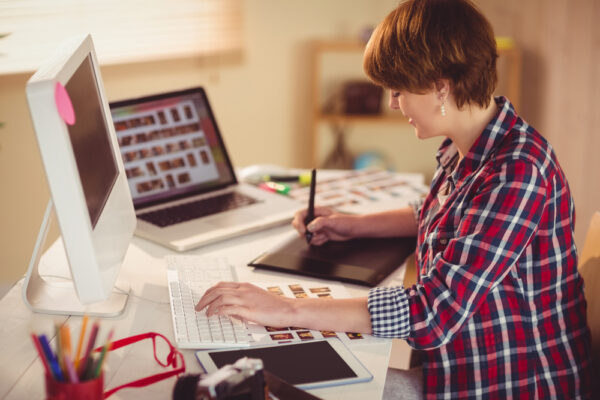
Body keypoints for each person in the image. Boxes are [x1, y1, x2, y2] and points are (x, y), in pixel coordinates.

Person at [196, 0, 592, 397]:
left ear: (441, 85)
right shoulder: (471, 146)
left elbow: (432, 312)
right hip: (458, 363)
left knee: (294, 382)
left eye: (399, 89)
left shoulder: (518, 171)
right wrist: (352, 224)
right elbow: (439, 213)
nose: (392, 103)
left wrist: (286, 309)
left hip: (506, 383)